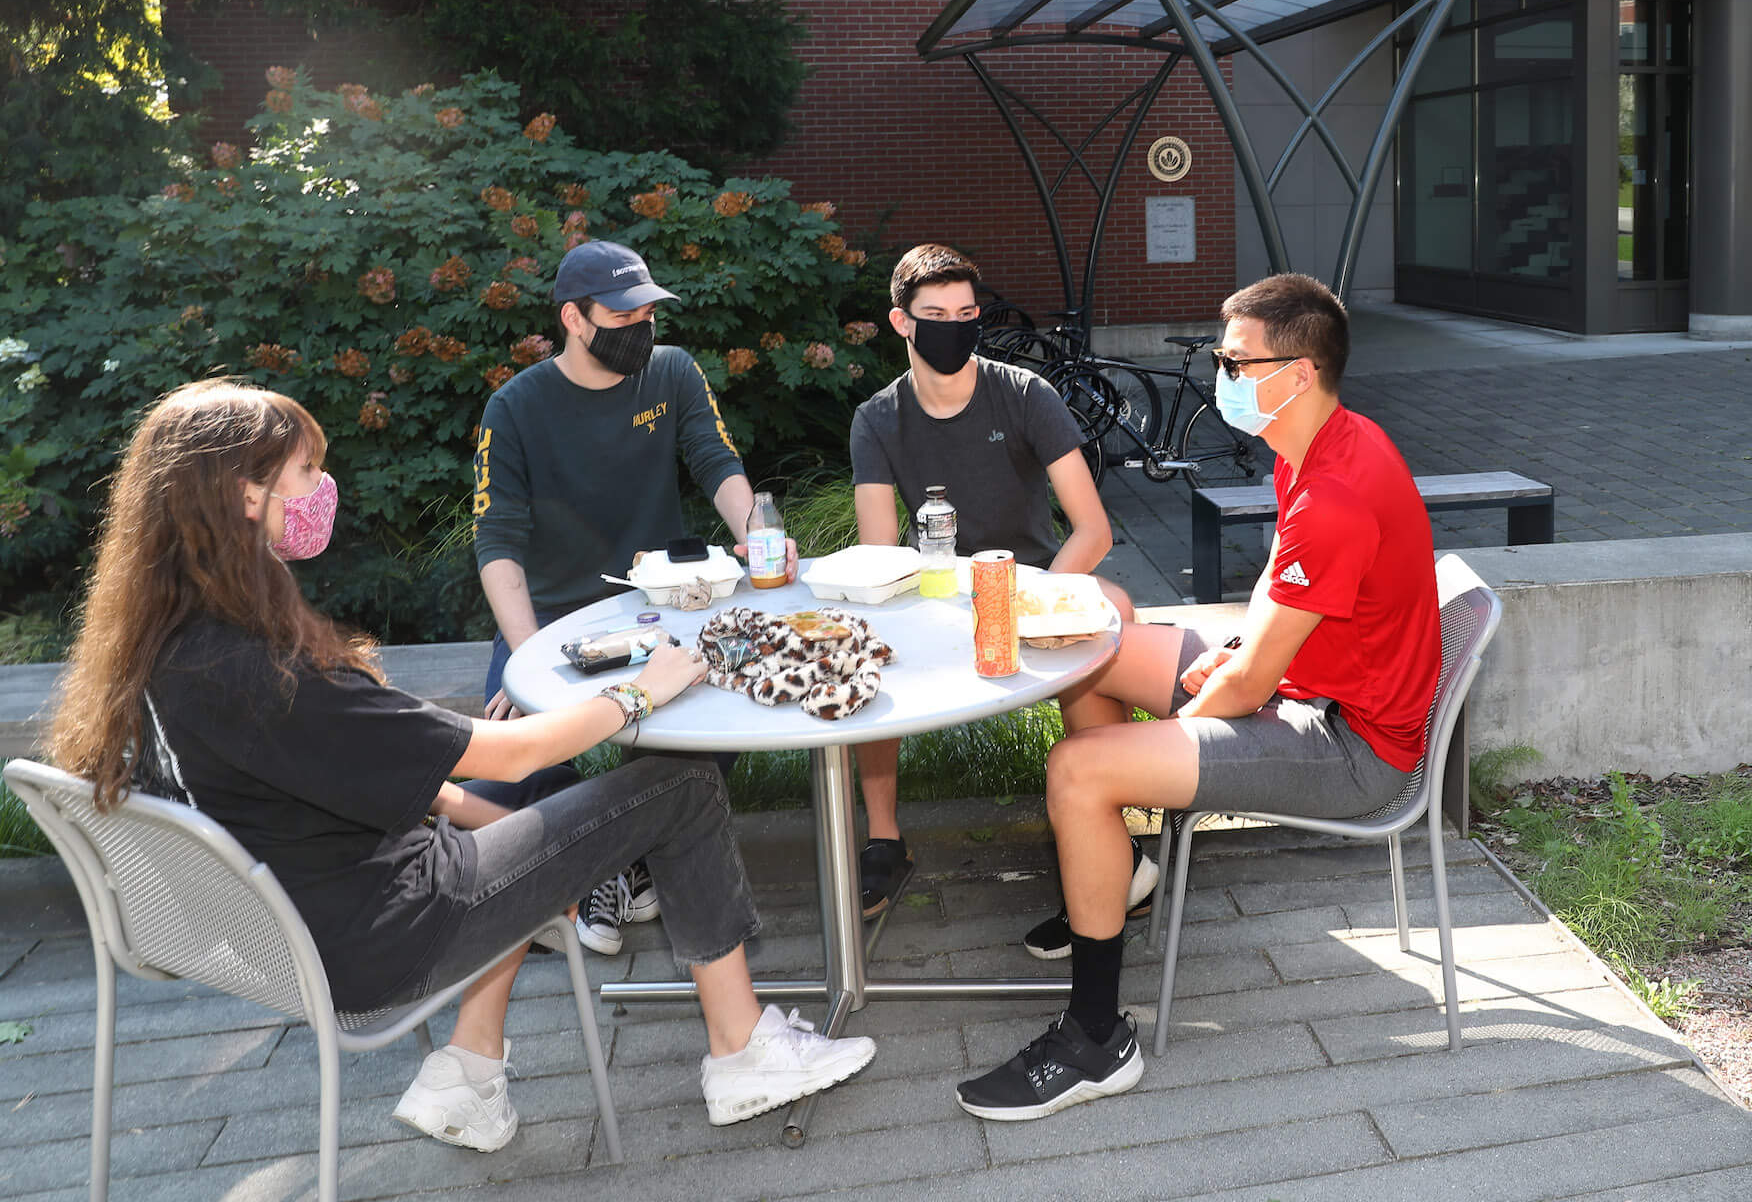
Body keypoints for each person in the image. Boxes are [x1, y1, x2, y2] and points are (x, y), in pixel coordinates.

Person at [43, 380, 874, 1151]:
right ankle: (741, 1053)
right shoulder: (265, 672)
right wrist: (639, 696)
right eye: (305, 471)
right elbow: (507, 750)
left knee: (511, 832)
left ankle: (469, 1073)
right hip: (374, 939)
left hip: (285, 924)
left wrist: (522, 829)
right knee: (683, 784)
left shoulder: (163, 649)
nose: (319, 490)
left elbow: (406, 786)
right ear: (243, 494)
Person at [954, 273, 1441, 1121]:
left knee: (1079, 771)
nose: (1219, 372)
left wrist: (1201, 706)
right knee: (1091, 654)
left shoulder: (1338, 490)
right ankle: (1116, 869)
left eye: (1234, 359)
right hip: (1302, 688)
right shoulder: (1315, 445)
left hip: (1349, 746)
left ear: (1298, 370)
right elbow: (1269, 607)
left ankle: (1097, 1038)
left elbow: (1254, 682)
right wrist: (1229, 663)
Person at [848, 244, 1167, 933]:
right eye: (935, 315)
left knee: (1110, 611)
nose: (954, 327)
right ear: (901, 323)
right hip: (936, 594)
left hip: (1030, 586)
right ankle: (882, 839)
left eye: (967, 313)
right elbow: (880, 552)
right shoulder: (878, 418)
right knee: (862, 640)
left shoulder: (1025, 394)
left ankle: (1113, 841)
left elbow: (1092, 530)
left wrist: (1033, 603)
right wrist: (934, 610)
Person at [473, 239, 758, 954]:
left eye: (648, 313)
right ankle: (590, 876)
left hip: (655, 605)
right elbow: (497, 542)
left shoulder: (671, 373)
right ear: (574, 317)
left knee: (715, 706)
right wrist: (523, 656)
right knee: (505, 779)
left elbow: (716, 460)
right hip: (550, 621)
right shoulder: (514, 408)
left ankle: (630, 859)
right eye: (623, 315)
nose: (642, 329)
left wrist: (758, 537)